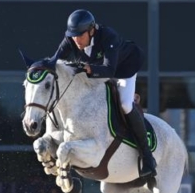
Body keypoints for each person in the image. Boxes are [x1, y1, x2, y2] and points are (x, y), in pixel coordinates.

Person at [49, 9, 156, 179]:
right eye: (73, 35)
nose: (76, 40)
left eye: (80, 35)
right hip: (97, 70)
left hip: (123, 69)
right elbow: (53, 61)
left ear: (91, 30)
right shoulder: (71, 38)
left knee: (125, 104)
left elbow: (109, 69)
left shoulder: (108, 37)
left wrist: (87, 68)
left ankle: (147, 156)